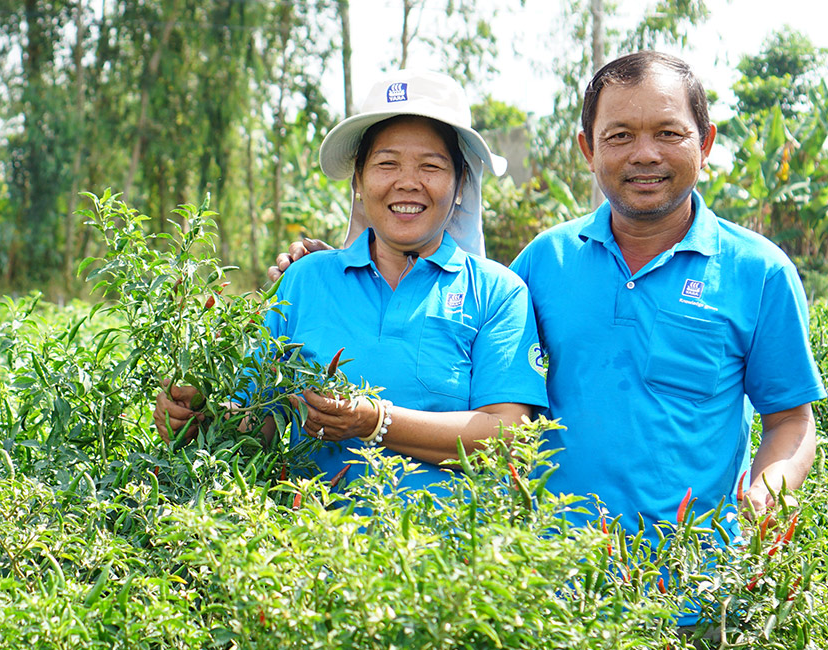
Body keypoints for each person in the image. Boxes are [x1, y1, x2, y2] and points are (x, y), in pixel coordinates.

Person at [272, 52, 825, 571]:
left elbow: (792, 422)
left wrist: (764, 491)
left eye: (668, 133)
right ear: (588, 149)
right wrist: (328, 272)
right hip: (545, 579)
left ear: (704, 143)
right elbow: (445, 317)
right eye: (619, 136)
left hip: (689, 579)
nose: (645, 154)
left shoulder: (759, 272)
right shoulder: (544, 262)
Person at [155, 69, 548, 499]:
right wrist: (199, 419)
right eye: (386, 164)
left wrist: (376, 421)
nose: (407, 182)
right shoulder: (305, 280)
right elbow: (257, 423)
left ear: (459, 186)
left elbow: (508, 433)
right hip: (313, 549)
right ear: (358, 182)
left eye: (431, 166)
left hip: (447, 558)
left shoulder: (497, 293)